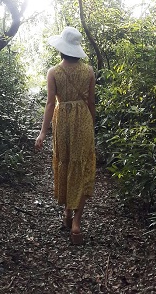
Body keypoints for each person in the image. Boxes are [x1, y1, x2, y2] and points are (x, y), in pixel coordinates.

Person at [35, 26, 96, 245]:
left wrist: (43, 132)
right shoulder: (89, 71)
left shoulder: (53, 72)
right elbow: (91, 102)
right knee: (81, 167)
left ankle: (68, 215)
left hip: (62, 121)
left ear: (62, 49)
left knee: (67, 164)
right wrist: (92, 125)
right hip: (83, 121)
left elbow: (51, 104)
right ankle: (77, 224)